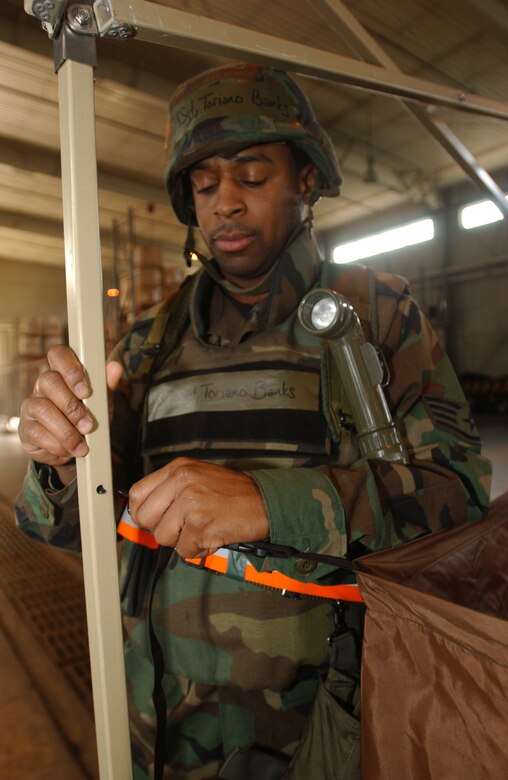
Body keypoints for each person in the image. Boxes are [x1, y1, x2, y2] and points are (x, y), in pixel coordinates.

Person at [15, 62, 491, 779]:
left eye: (252, 176)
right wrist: (56, 465)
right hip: (156, 721)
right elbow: (72, 526)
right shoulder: (149, 341)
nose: (225, 204)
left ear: (305, 180)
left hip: (320, 729)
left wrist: (270, 503)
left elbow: (458, 503)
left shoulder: (376, 316)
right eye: (205, 186)